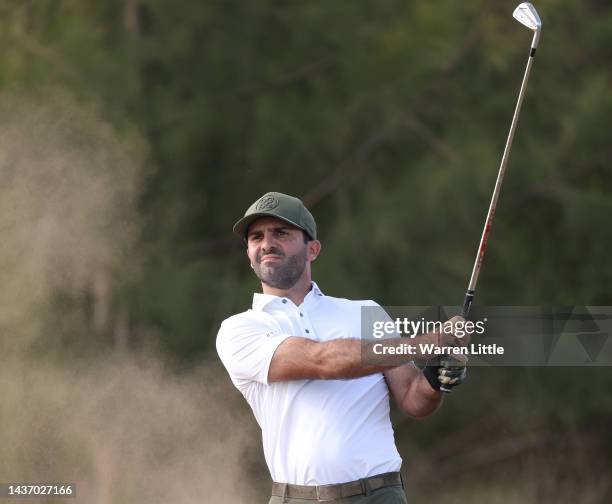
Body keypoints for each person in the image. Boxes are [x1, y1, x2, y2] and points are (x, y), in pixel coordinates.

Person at [216, 192, 468, 503]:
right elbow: (324, 362)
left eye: (281, 233)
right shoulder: (240, 329)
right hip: (299, 498)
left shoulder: (365, 312)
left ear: (313, 249)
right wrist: (429, 342)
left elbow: (414, 400)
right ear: (249, 253)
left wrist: (436, 378)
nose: (267, 242)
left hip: (381, 494)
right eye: (256, 237)